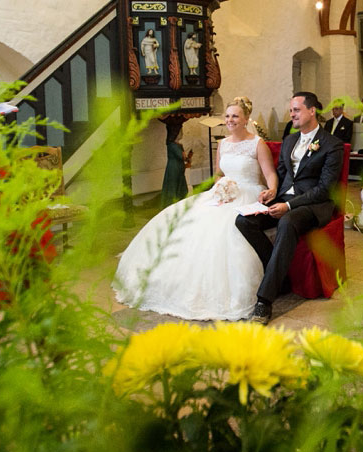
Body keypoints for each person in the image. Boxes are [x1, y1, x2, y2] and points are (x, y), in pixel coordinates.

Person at [115, 97, 278, 321]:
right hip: (222, 193)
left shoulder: (257, 144)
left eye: (235, 116)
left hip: (247, 193)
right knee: (184, 220)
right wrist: (219, 186)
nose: (230, 120)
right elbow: (220, 174)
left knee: (223, 231)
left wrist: (272, 190)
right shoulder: (223, 144)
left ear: (246, 119)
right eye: (228, 116)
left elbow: (269, 173)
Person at [236, 92, 344, 324]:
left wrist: (287, 205)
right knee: (244, 220)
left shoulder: (331, 145)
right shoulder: (289, 141)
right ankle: (280, 277)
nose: (291, 114)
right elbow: (283, 176)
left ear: (312, 110)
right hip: (285, 199)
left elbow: (325, 189)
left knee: (287, 221)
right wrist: (271, 194)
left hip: (313, 205)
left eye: (296, 110)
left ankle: (264, 301)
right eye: (291, 110)